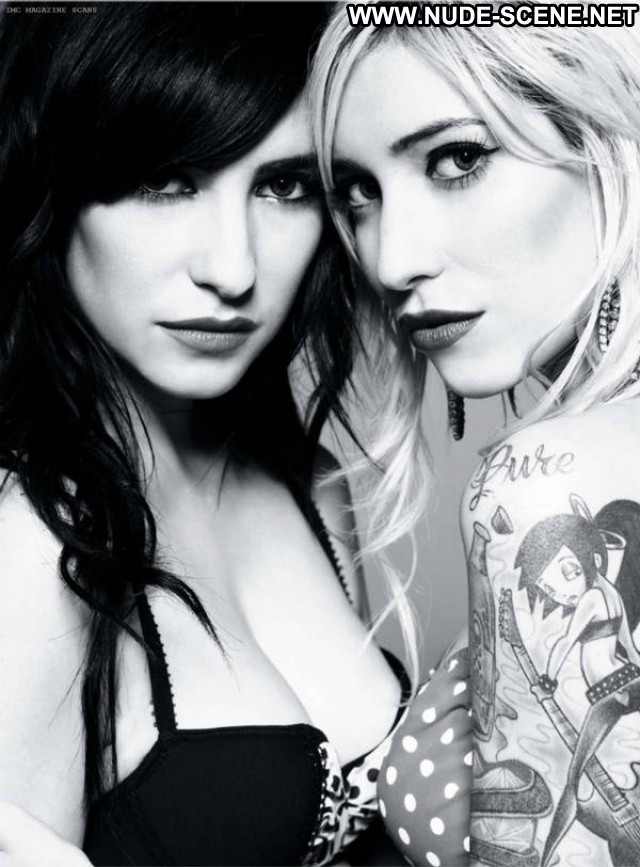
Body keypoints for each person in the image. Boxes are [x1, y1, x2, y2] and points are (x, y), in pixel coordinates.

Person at [0, 4, 408, 865]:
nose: (233, 268)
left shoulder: (313, 483)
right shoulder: (30, 542)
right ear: (54, 191)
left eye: (284, 186)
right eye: (166, 180)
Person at [311, 5, 640, 866]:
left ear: (609, 137)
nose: (391, 260)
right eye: (360, 193)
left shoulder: (549, 486)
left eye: (458, 159)